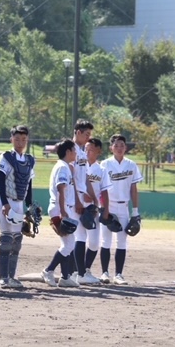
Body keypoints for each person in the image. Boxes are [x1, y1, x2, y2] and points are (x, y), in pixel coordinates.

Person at [0, 125, 35, 289]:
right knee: (6, 239)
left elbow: (29, 185)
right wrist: (4, 204)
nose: (20, 142)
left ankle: (11, 276)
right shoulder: (5, 157)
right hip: (6, 201)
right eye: (17, 138)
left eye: (23, 139)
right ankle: (2, 278)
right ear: (11, 139)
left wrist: (29, 207)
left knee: (17, 240)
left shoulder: (30, 160)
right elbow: (1, 183)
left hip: (19, 202)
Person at [99, 134, 143, 285]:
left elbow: (134, 189)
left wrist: (135, 211)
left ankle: (118, 274)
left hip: (123, 206)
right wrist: (102, 207)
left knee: (122, 241)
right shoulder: (104, 164)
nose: (119, 148)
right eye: (116, 145)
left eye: (122, 145)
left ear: (126, 148)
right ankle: (104, 272)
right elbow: (100, 188)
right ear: (111, 147)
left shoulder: (131, 165)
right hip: (108, 206)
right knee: (105, 240)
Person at [41, 138, 81, 288]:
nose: (76, 153)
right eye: (74, 150)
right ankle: (48, 270)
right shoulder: (63, 167)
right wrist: (63, 211)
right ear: (68, 151)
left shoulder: (63, 166)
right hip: (60, 208)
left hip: (61, 207)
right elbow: (61, 189)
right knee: (69, 244)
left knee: (68, 243)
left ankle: (65, 277)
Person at [76, 137, 111, 284]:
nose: (87, 152)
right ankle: (78, 272)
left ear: (98, 151)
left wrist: (106, 209)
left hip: (93, 211)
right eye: (86, 149)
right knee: (79, 240)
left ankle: (86, 269)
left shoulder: (101, 170)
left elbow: (104, 191)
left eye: (91, 150)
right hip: (78, 208)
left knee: (95, 242)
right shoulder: (79, 165)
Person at [70, 120, 100, 281]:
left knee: (80, 236)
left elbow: (85, 177)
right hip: (73, 198)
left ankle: (75, 272)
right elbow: (72, 177)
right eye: (86, 134)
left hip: (82, 196)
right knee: (79, 236)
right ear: (78, 132)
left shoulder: (81, 153)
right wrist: (78, 200)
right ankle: (79, 273)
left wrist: (94, 197)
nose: (88, 138)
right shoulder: (70, 150)